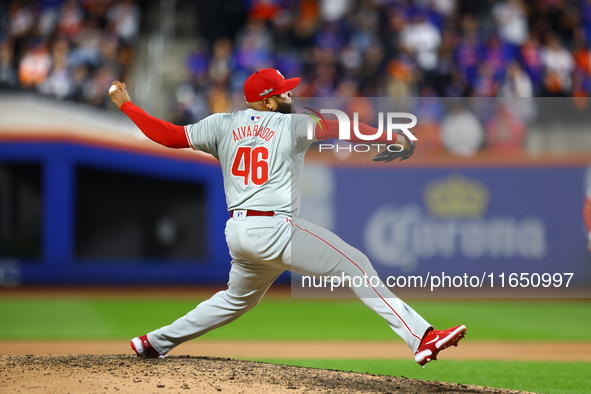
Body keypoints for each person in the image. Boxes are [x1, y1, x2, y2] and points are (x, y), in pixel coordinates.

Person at [108, 68, 466, 367]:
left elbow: (168, 136)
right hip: (275, 228)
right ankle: (422, 336)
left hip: (238, 232)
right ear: (267, 101)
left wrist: (127, 106)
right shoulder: (289, 126)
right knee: (356, 265)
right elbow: (337, 128)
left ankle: (153, 342)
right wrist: (388, 136)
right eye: (283, 94)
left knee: (235, 300)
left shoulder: (221, 124)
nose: (290, 97)